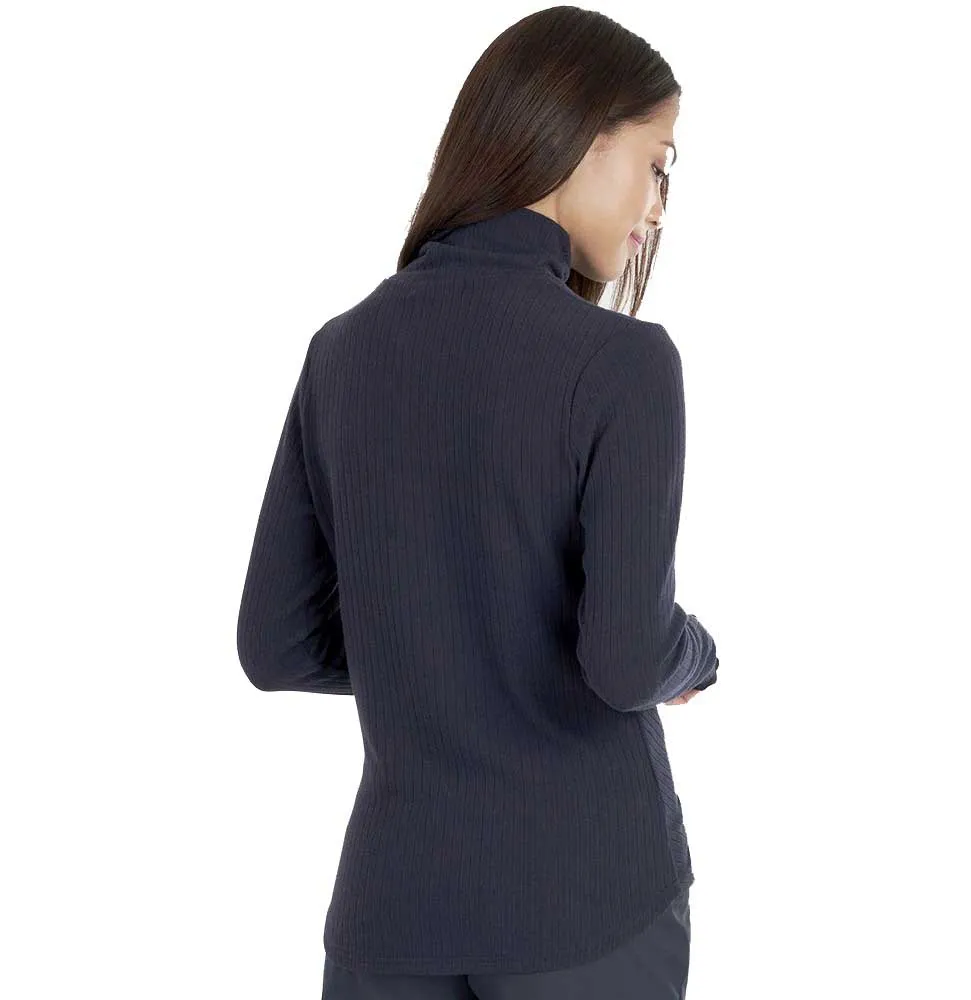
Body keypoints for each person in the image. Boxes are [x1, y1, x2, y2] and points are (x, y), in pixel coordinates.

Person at [236, 7, 720, 998]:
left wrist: (440, 657)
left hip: (390, 913)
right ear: (584, 140)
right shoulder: (622, 363)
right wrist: (698, 654)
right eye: (656, 163)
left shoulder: (342, 351)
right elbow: (628, 656)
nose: (656, 207)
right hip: (583, 901)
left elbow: (276, 645)